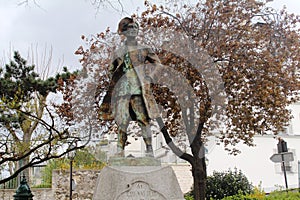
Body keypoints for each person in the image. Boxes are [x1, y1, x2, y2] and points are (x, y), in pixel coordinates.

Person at [98, 17, 160, 157]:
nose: (134, 30)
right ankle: (120, 151)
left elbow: (158, 64)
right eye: (130, 28)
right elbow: (111, 69)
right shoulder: (119, 52)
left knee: (143, 119)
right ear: (124, 32)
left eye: (136, 27)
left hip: (138, 88)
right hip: (122, 90)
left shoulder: (144, 49)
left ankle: (149, 150)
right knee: (122, 121)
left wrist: (150, 77)